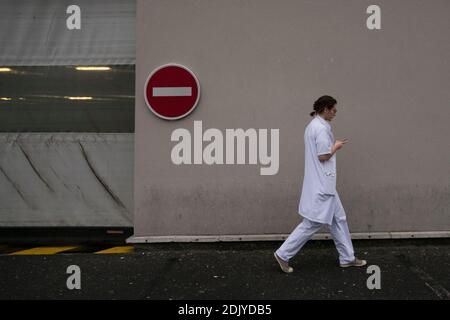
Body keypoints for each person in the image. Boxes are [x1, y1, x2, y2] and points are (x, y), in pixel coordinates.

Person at [274, 95, 367, 273]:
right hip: (323, 184)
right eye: (333, 110)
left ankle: (347, 257)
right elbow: (323, 155)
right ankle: (283, 254)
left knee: (339, 218)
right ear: (325, 109)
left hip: (323, 183)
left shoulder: (312, 126)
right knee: (312, 223)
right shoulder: (321, 129)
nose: (335, 113)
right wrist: (336, 146)